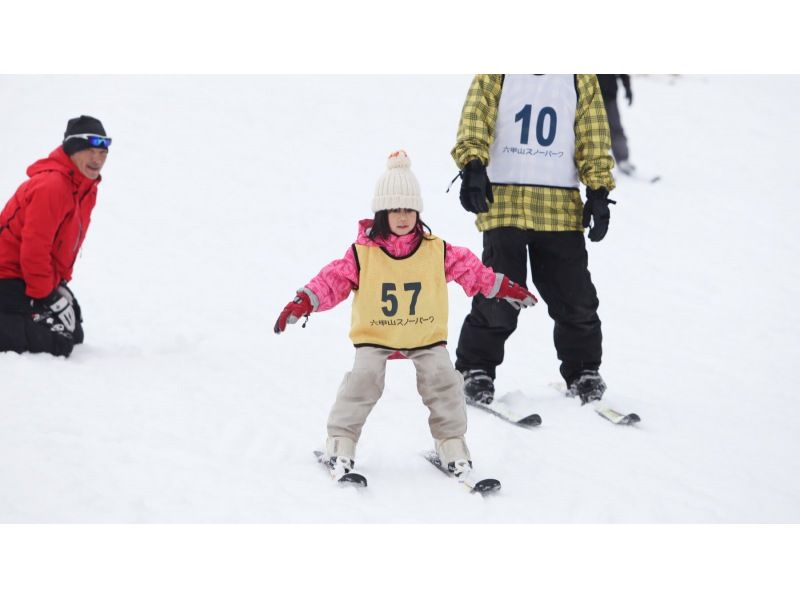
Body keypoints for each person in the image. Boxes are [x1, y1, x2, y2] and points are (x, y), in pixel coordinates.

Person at [273, 150, 537, 480]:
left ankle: (451, 444)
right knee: (364, 380)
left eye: (409, 209)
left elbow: (474, 272)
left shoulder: (437, 250)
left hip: (424, 337)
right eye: (394, 209)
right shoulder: (362, 254)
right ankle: (340, 442)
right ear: (382, 213)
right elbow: (332, 280)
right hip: (376, 336)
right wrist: (303, 301)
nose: (402, 217)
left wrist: (505, 287)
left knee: (443, 380)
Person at [451, 74, 616, 405]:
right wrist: (472, 166)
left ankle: (583, 369)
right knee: (501, 292)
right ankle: (475, 368)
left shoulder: (578, 76)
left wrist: (598, 190)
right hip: (505, 204)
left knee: (575, 295)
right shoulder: (498, 72)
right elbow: (475, 118)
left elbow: (593, 133)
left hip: (558, 210)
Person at [0, 115, 111, 358]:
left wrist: (58, 285)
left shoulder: (85, 188)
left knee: (74, 333)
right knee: (59, 343)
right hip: (7, 274)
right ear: (72, 150)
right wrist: (45, 295)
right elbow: (34, 249)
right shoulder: (53, 186)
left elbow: (65, 244)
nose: (97, 160)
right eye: (90, 151)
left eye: (103, 153)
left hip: (29, 275)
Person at [597, 74, 634, 175]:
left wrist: (628, 88)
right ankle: (596, 164)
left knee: (615, 128)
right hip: (590, 96)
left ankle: (623, 160)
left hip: (609, 96)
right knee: (593, 131)